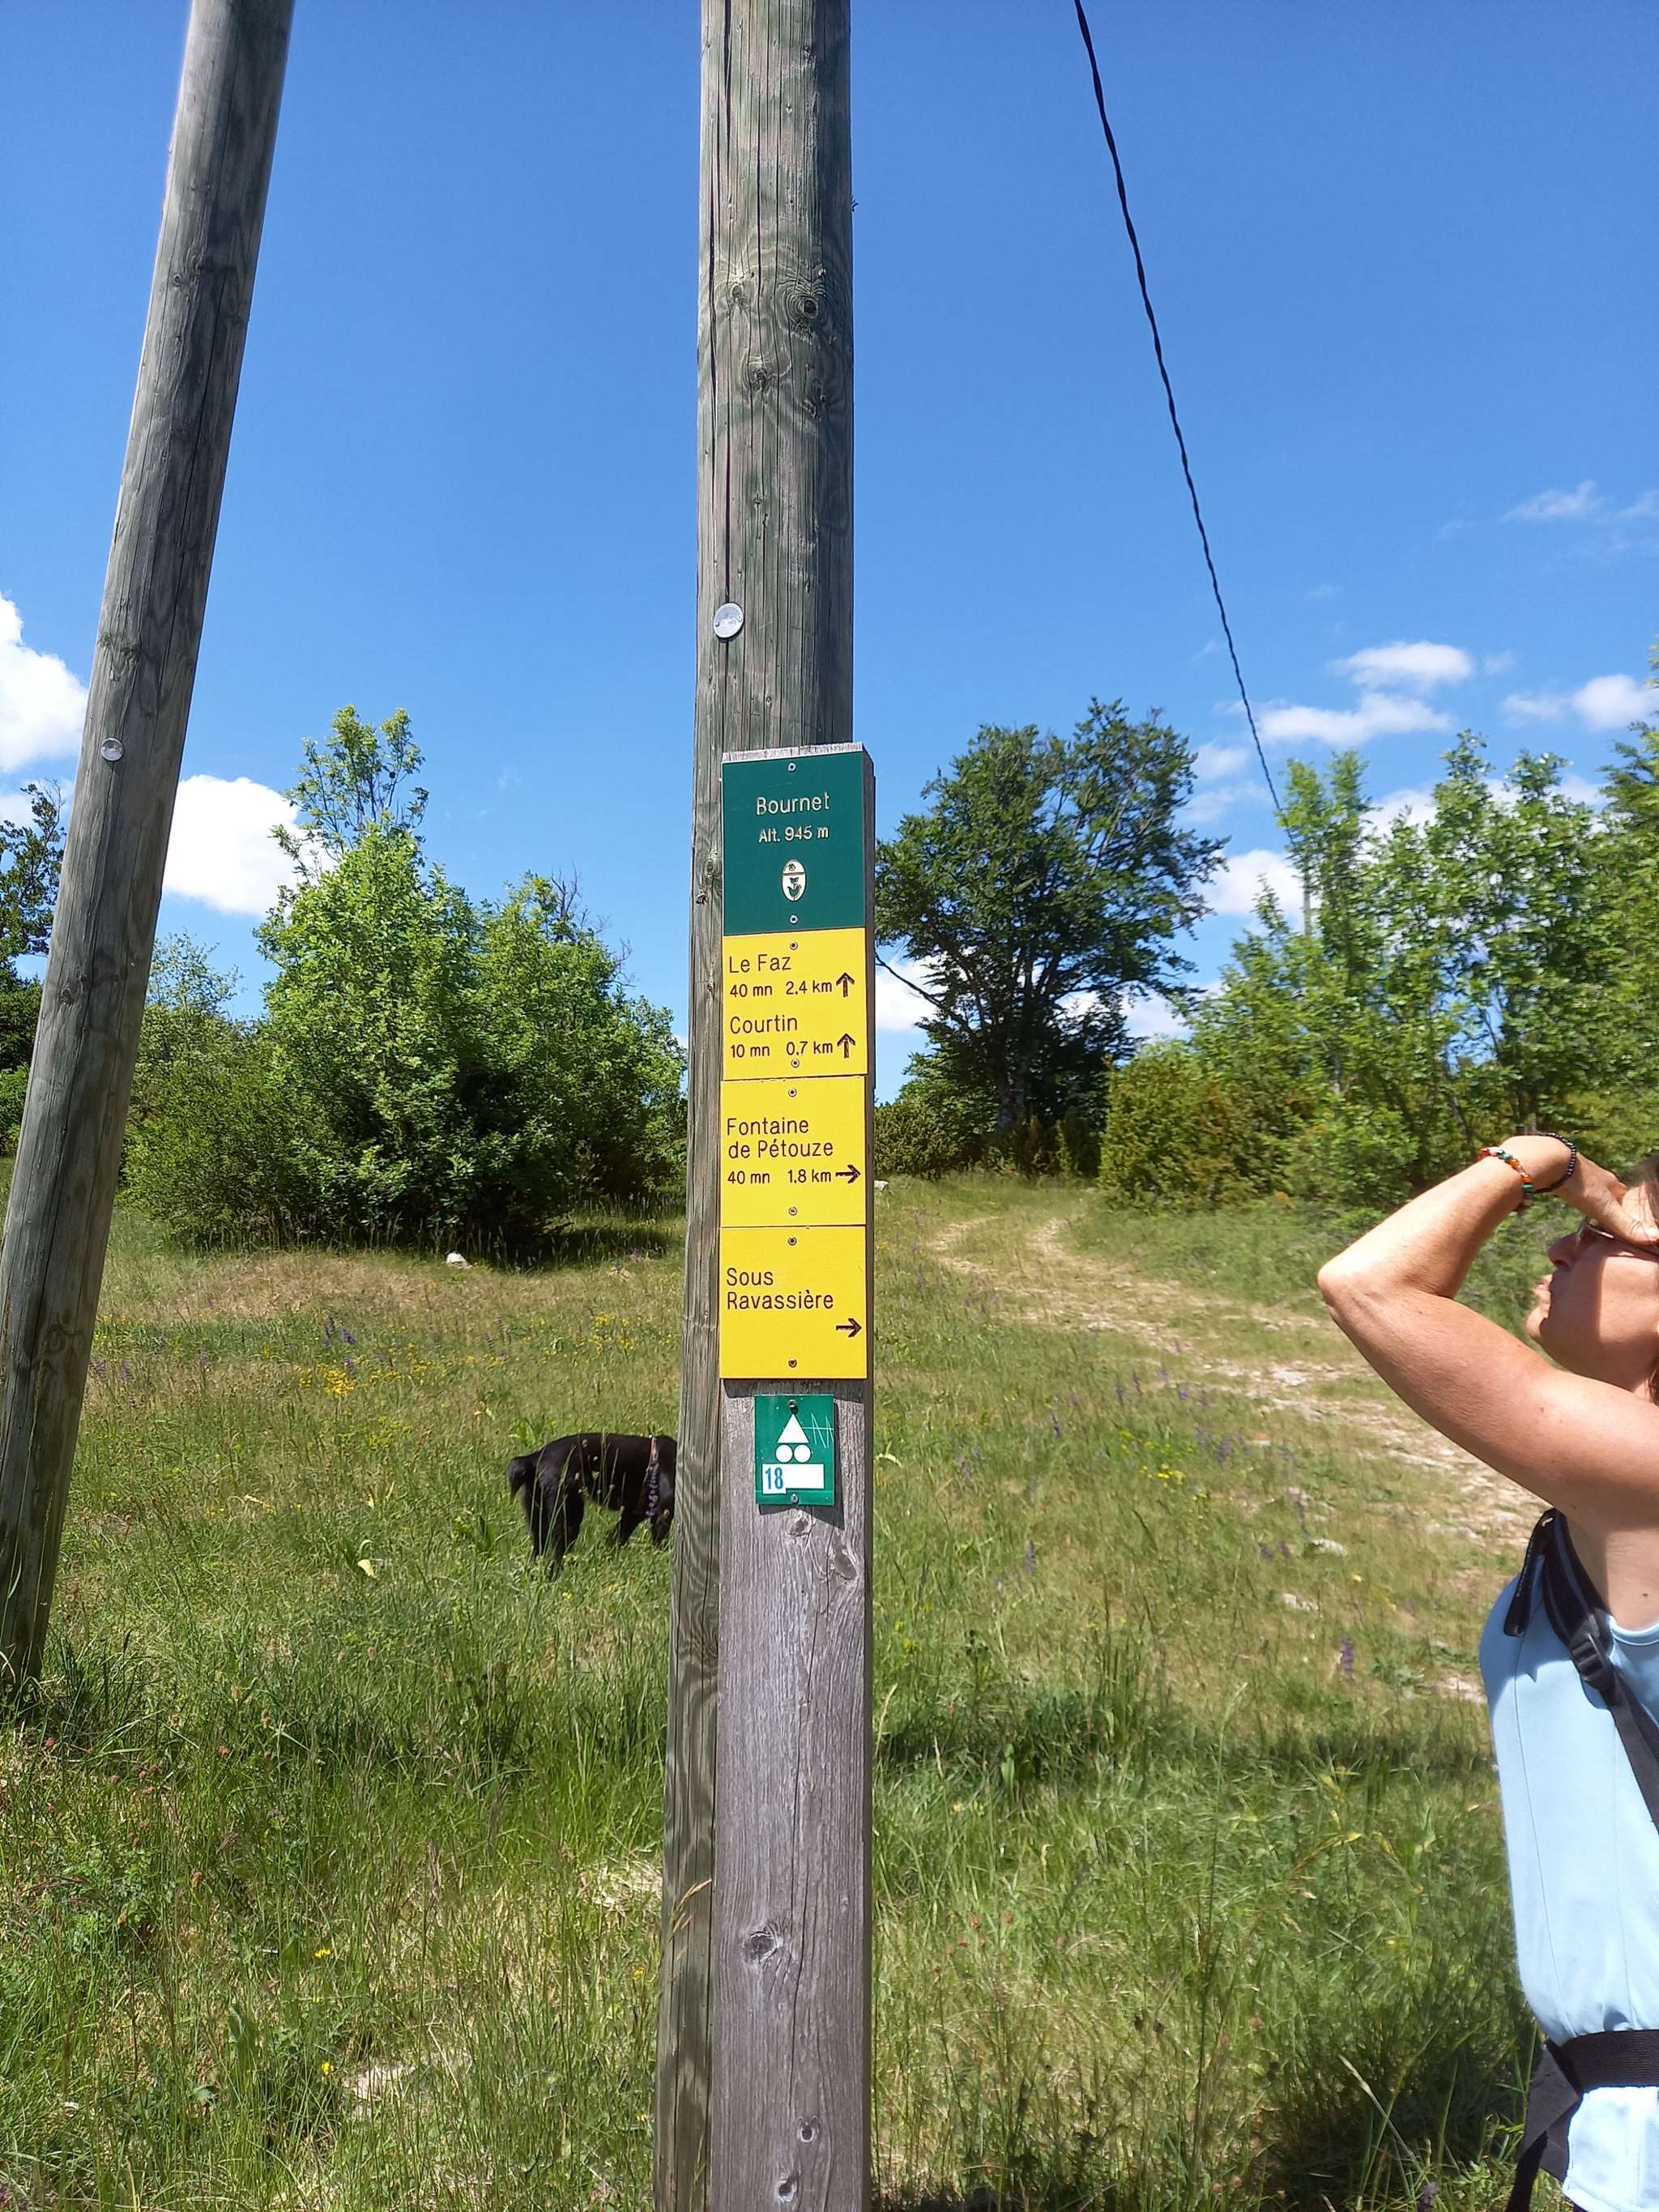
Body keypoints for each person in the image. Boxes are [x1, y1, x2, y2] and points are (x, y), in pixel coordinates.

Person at [1318, 1132, 1659, 2212]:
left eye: (1605, 1235)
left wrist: (1543, 1161)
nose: (1562, 1244)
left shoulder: (1649, 1477)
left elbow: (1371, 1284)